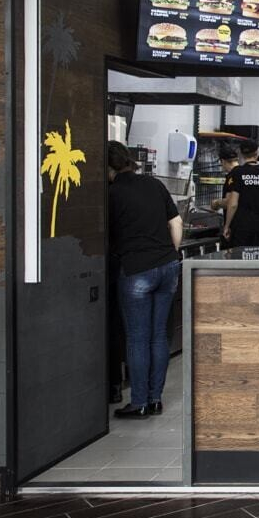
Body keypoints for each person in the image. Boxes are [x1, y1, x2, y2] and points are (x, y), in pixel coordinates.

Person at [107, 141, 182, 419]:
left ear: (108, 167)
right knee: (158, 335)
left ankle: (138, 402)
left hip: (136, 268)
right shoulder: (154, 184)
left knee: (138, 338)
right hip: (167, 266)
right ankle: (155, 399)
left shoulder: (111, 193)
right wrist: (172, 254)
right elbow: (176, 222)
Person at [223, 139, 259, 247]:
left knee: (240, 255)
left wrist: (227, 226)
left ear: (241, 154)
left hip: (242, 226)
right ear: (257, 153)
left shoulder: (237, 172)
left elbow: (233, 204)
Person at [209, 145, 239, 213]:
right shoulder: (243, 173)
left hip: (235, 217)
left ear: (222, 161)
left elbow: (230, 202)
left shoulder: (232, 176)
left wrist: (216, 203)